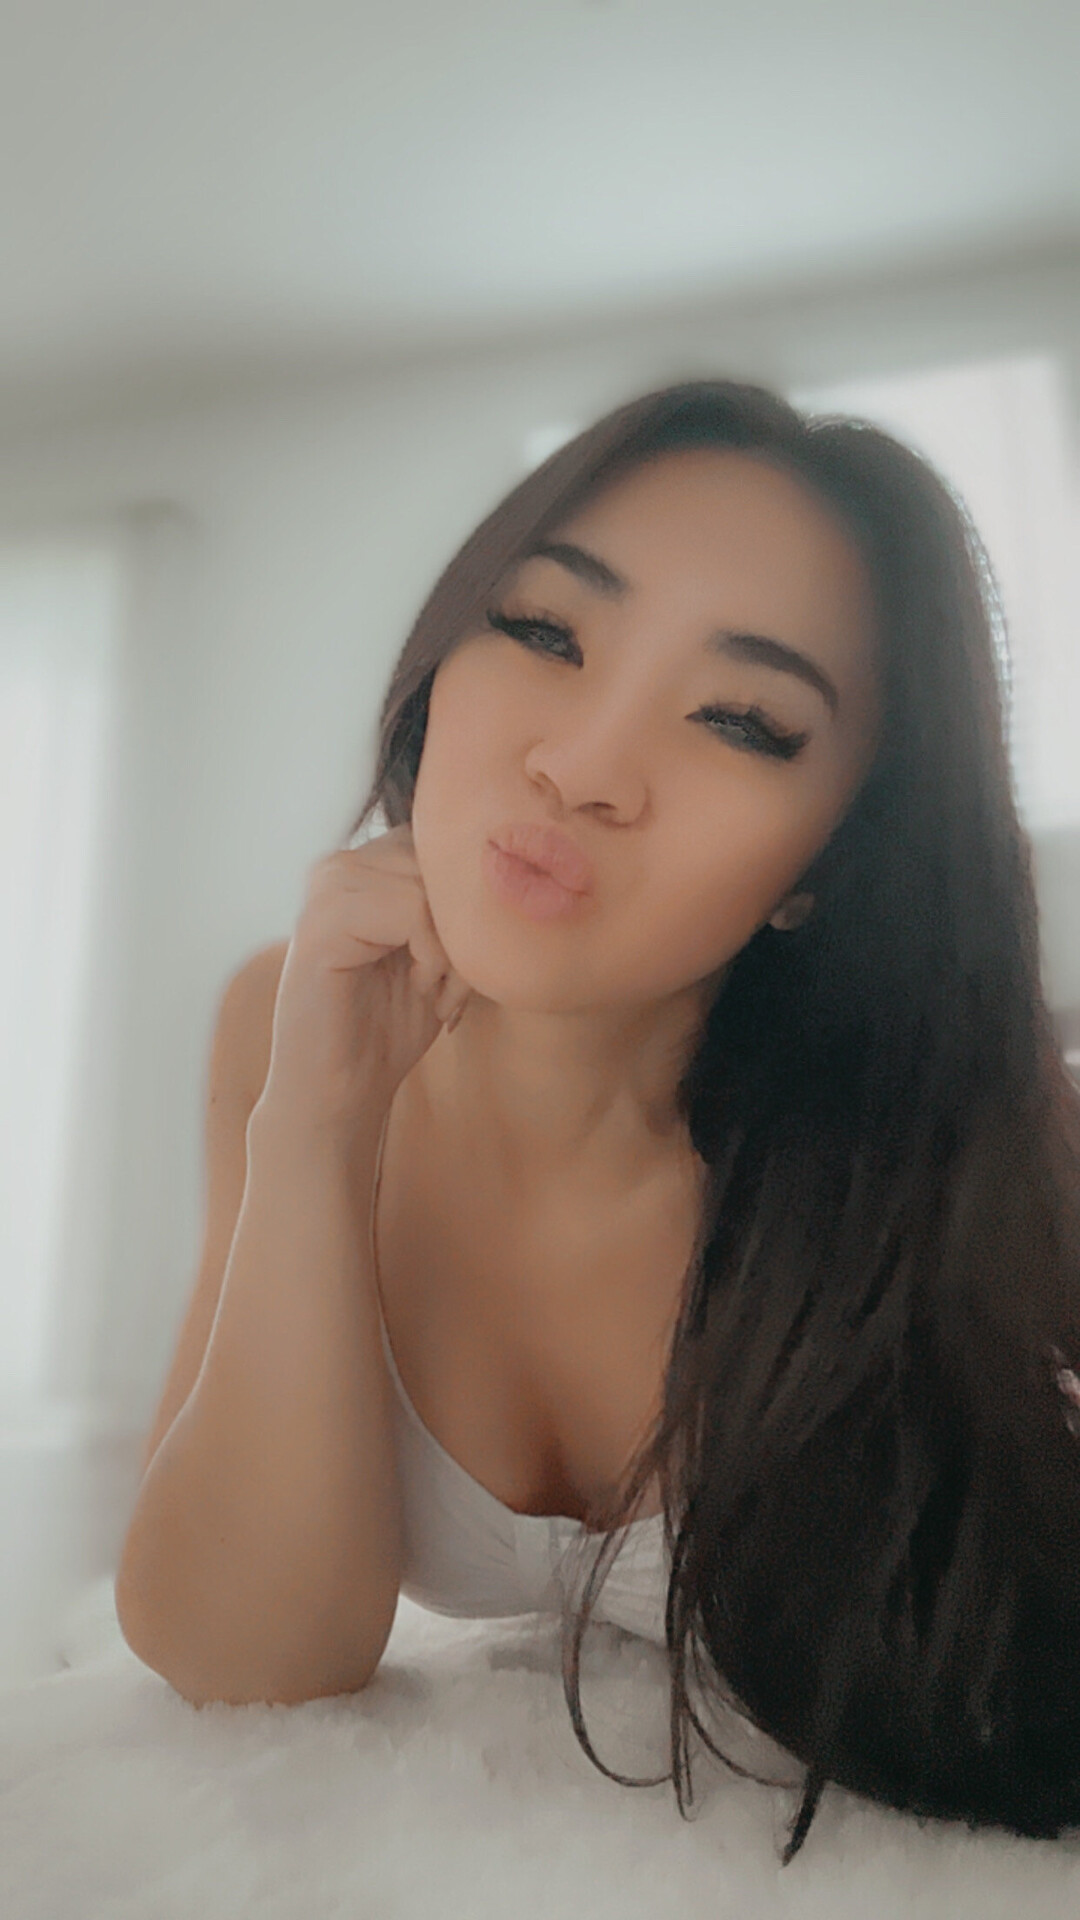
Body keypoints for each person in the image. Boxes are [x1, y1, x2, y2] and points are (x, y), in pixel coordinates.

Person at [118, 378, 1080, 1864]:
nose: (582, 767)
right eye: (546, 631)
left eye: (742, 721)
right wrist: (318, 1127)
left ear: (825, 864)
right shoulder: (288, 1019)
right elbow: (239, 1655)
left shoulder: (968, 1133)